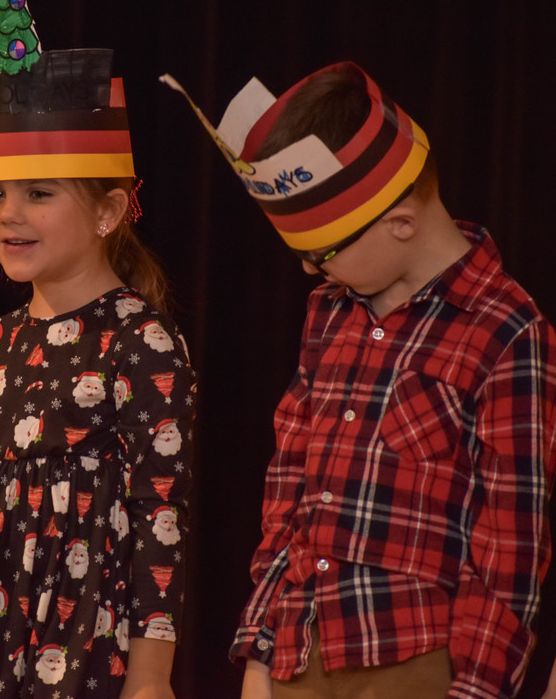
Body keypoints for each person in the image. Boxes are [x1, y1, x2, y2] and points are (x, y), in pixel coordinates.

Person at [173, 61, 556, 698]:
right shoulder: (330, 310)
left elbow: (510, 551)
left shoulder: (508, 332)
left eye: (320, 251)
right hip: (302, 654)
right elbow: (291, 488)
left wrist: (476, 691)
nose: (306, 269)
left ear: (399, 222)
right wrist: (261, 655)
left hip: (414, 660)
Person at [0, 0, 196, 696]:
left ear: (109, 210)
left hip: (84, 643)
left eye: (39, 193)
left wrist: (150, 678)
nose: (9, 214)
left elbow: (160, 515)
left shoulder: (141, 341)